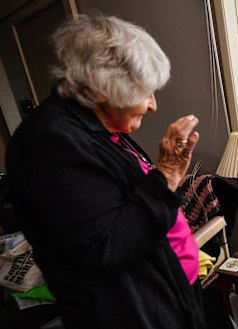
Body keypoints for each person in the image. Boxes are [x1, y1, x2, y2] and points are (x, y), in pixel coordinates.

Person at [6, 14, 215, 329]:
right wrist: (166, 175)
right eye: (145, 93)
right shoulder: (49, 143)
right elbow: (106, 246)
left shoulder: (103, 130)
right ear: (103, 86)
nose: (153, 105)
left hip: (171, 293)